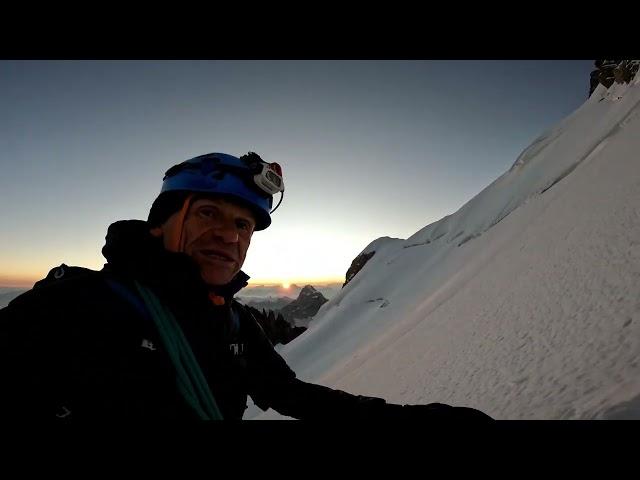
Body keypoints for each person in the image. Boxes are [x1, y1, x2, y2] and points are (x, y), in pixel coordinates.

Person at [0, 152, 492, 421]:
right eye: (208, 213)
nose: (229, 235)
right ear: (159, 226)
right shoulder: (72, 307)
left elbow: (291, 396)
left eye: (244, 226)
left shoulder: (232, 320)